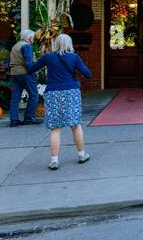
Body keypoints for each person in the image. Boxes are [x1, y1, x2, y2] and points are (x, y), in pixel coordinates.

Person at [25, 33, 92, 170]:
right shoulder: (74, 57)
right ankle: (81, 155)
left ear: (56, 44)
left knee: (55, 129)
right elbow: (88, 74)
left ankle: (54, 160)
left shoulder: (48, 57)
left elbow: (31, 68)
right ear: (70, 44)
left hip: (53, 93)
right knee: (75, 125)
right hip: (71, 92)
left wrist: (25, 58)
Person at [8, 29, 40, 127]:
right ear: (29, 38)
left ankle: (14, 120)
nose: (33, 39)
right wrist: (34, 71)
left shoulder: (15, 46)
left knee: (15, 98)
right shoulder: (27, 46)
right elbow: (28, 63)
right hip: (25, 73)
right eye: (33, 37)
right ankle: (29, 117)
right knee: (34, 95)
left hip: (14, 73)